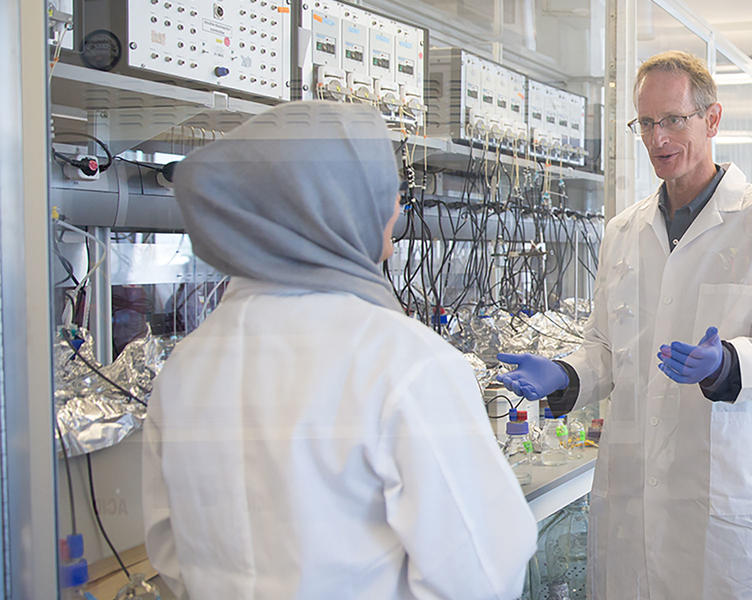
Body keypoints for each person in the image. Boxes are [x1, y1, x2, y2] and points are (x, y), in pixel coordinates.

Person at [143, 101, 536, 599]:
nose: (396, 208)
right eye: (386, 193)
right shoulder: (404, 361)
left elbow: (169, 554)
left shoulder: (187, 366)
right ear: (335, 206)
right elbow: (482, 575)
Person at [494, 50, 752, 599]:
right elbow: (606, 346)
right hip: (634, 495)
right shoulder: (625, 231)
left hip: (725, 491)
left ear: (712, 119)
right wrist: (566, 373)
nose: (657, 138)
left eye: (673, 119)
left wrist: (730, 363)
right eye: (646, 123)